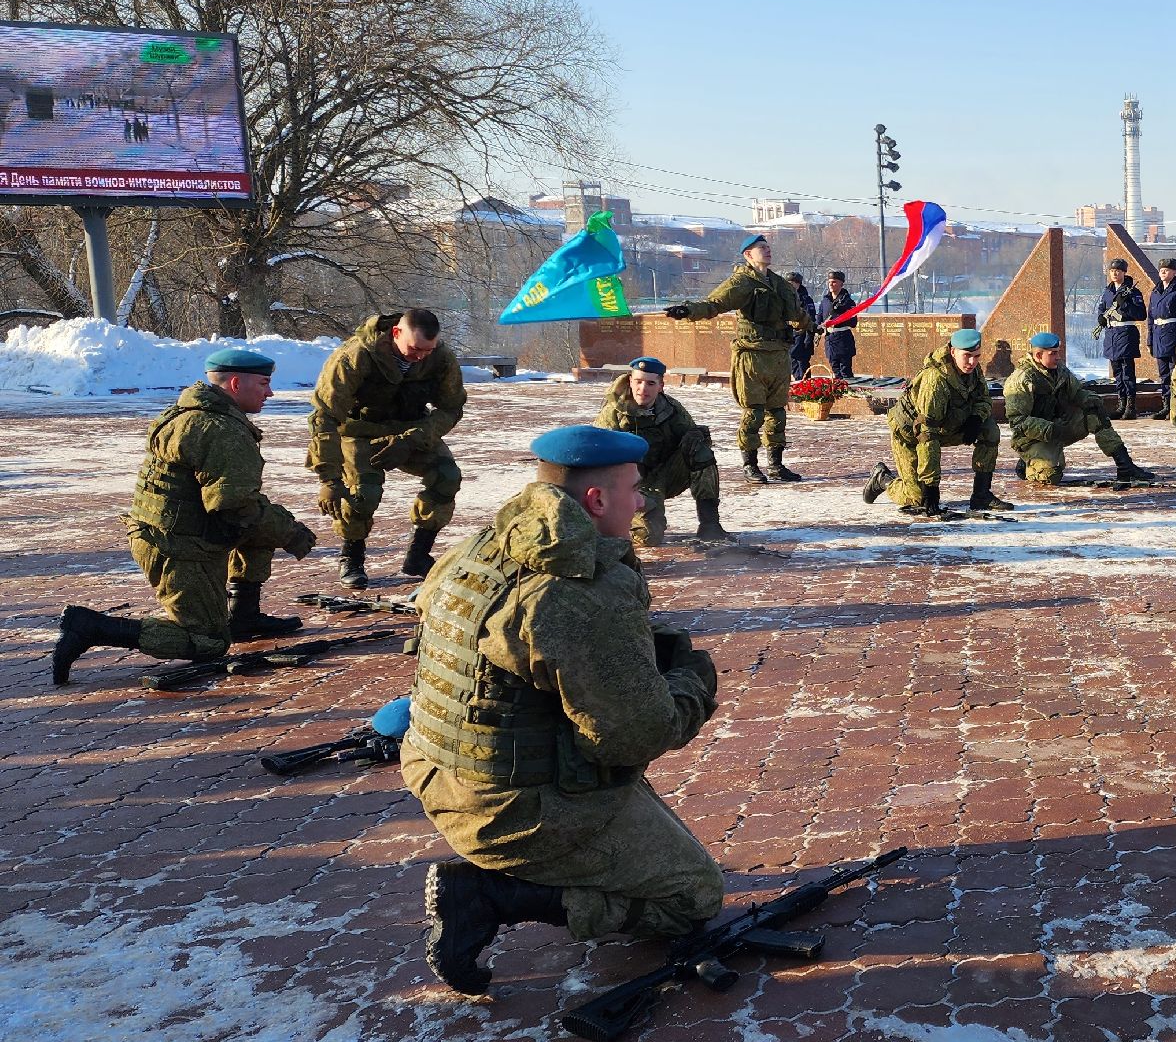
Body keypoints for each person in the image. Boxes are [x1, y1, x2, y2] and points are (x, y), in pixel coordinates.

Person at [404, 424, 724, 997]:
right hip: (512, 805)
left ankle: (520, 873)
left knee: (647, 821)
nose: (643, 500)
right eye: (634, 488)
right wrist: (691, 686)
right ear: (595, 501)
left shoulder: (480, 547)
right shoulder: (577, 589)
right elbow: (633, 736)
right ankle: (488, 897)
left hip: (442, 771)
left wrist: (633, 651)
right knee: (692, 898)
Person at [52, 349, 319, 684]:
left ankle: (244, 617)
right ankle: (91, 627)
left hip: (170, 532)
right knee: (208, 642)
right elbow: (234, 506)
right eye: (264, 384)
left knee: (261, 524)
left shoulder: (191, 412)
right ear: (236, 383)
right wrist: (289, 532)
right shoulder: (220, 429)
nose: (270, 393)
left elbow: (233, 503)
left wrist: (276, 525)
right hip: (176, 547)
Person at [309, 308, 466, 589]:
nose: (420, 356)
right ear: (396, 333)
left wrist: (413, 438)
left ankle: (418, 555)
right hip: (360, 432)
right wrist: (329, 478)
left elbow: (451, 407)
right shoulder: (355, 356)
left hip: (411, 430)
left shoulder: (441, 358)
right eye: (415, 349)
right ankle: (352, 557)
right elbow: (325, 416)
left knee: (447, 476)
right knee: (363, 493)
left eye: (427, 350)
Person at [664, 235, 808, 484]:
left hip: (778, 356)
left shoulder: (779, 283)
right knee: (753, 413)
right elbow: (715, 303)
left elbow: (797, 314)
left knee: (777, 412)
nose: (767, 250)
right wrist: (687, 311)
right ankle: (750, 464)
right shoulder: (742, 281)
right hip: (752, 357)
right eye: (761, 248)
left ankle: (775, 464)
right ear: (748, 255)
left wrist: (814, 325)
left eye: (768, 247)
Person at [863, 329, 1013, 517]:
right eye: (967, 356)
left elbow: (983, 399)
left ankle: (981, 494)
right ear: (953, 352)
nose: (972, 362)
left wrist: (975, 418)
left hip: (945, 426)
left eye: (977, 356)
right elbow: (927, 433)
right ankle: (883, 479)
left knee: (989, 429)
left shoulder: (973, 370)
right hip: (910, 434)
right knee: (917, 497)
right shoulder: (935, 379)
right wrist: (931, 486)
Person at [593, 356, 731, 545]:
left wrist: (697, 435)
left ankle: (710, 524)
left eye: (651, 383)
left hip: (666, 475)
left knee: (700, 451)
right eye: (638, 382)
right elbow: (599, 460)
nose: (643, 389)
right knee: (648, 537)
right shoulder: (612, 414)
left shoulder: (670, 408)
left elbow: (695, 439)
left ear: (660, 386)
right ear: (630, 382)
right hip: (630, 485)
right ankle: (616, 523)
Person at [1004, 331, 1159, 485]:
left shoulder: (1060, 371)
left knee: (1093, 412)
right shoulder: (1021, 380)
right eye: (1053, 354)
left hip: (1059, 427)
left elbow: (1077, 392)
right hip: (1031, 438)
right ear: (1038, 355)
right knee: (1050, 476)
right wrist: (1050, 429)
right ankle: (1027, 461)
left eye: (1058, 353)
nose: (1058, 357)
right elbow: (1018, 421)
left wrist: (1091, 401)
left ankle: (1125, 465)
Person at [1097, 258, 1149, 419]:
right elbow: (1102, 308)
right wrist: (1101, 318)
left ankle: (1130, 407)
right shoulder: (1108, 291)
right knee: (1117, 372)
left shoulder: (1133, 292)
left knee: (1127, 372)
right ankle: (1121, 404)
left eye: (1118, 271)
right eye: (1112, 271)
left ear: (1124, 273)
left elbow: (1141, 314)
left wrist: (1125, 304)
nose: (1114, 273)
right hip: (1111, 334)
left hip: (1126, 332)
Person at [1148, 257, 1176, 416]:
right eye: (1161, 270)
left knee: (1175, 374)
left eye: (1166, 270)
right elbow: (1150, 318)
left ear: (1174, 272)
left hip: (1173, 336)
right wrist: (1150, 340)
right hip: (1159, 336)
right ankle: (1166, 405)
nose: (1163, 273)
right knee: (1163, 375)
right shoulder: (1155, 292)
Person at [822, 271, 860, 380]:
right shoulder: (826, 300)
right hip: (830, 338)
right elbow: (820, 316)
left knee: (845, 371)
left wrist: (837, 320)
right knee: (835, 369)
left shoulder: (848, 302)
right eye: (829, 282)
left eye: (834, 282)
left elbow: (853, 322)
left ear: (841, 284)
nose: (830, 284)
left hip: (843, 338)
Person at [786, 271, 821, 380]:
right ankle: (798, 382)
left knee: (802, 361)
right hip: (789, 335)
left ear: (798, 284)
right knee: (792, 360)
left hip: (802, 335)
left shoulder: (805, 299)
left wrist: (808, 338)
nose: (790, 286)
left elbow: (809, 319)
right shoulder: (785, 298)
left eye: (793, 283)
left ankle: (804, 385)